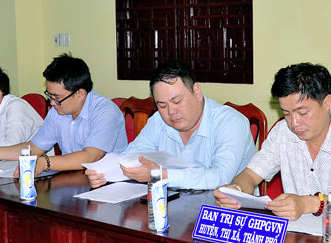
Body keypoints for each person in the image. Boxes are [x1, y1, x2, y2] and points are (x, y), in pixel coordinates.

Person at [213, 63, 331, 220]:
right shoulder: (282, 132)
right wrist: (236, 191)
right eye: (286, 114)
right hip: (297, 235)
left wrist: (308, 204)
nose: (294, 123)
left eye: (302, 113)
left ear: (327, 102)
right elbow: (249, 176)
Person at [85, 60, 255, 190]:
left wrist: (160, 174)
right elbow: (130, 156)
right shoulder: (158, 121)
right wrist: (103, 172)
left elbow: (220, 177)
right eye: (162, 105)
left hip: (225, 212)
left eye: (177, 101)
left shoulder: (231, 122)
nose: (171, 112)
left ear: (197, 92)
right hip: (174, 205)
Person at [0, 54, 127, 173]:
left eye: (57, 97)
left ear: (80, 94)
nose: (52, 103)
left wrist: (45, 163)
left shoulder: (106, 112)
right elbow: (34, 148)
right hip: (73, 178)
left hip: (108, 182)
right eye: (50, 96)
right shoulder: (59, 110)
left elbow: (90, 157)